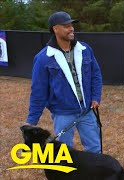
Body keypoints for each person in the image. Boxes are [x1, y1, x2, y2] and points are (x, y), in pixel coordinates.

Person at [25, 11, 102, 154]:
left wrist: (96, 97)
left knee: (95, 150)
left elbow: (96, 75)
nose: (71, 28)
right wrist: (32, 120)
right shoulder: (43, 58)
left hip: (86, 111)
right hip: (62, 114)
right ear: (55, 29)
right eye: (66, 26)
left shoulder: (85, 50)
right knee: (64, 153)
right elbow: (38, 91)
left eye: (71, 25)